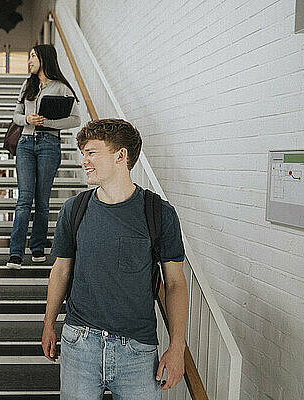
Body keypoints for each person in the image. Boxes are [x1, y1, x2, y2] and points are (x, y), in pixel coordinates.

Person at [42, 119, 189, 399]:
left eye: (92, 153)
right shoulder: (74, 209)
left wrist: (177, 346)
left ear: (121, 156)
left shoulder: (159, 213)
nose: (84, 160)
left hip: (137, 351)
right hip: (79, 344)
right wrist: (49, 323)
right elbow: (60, 271)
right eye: (83, 153)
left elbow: (175, 284)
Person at [6, 44, 81, 269]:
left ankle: (37, 247)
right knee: (24, 199)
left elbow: (75, 120)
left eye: (33, 56)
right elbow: (16, 115)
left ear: (44, 59)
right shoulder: (27, 85)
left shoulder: (61, 87)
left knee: (42, 199)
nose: (29, 60)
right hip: (26, 144)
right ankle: (15, 253)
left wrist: (46, 123)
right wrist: (27, 120)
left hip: (49, 144)